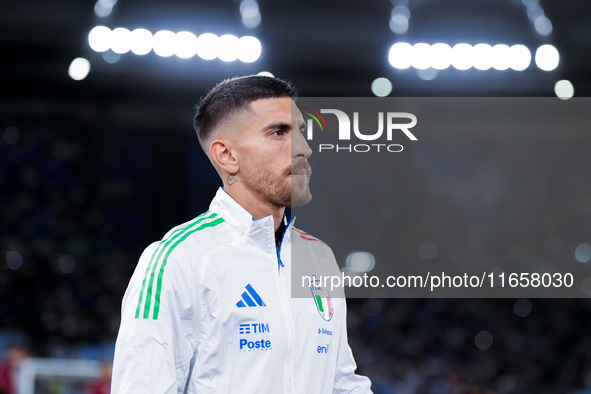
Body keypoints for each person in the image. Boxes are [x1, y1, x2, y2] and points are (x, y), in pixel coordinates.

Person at [112, 75, 372, 393]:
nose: (304, 149)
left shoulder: (319, 258)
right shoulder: (178, 259)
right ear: (227, 156)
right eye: (279, 132)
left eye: (301, 132)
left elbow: (340, 383)